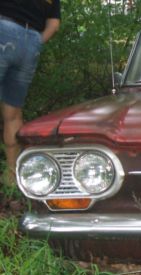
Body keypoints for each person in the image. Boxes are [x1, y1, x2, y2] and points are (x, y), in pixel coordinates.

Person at [0, 0, 61, 185]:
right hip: (31, 42)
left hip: (3, 30)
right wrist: (34, 42)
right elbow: (54, 25)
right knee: (13, 113)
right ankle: (12, 176)